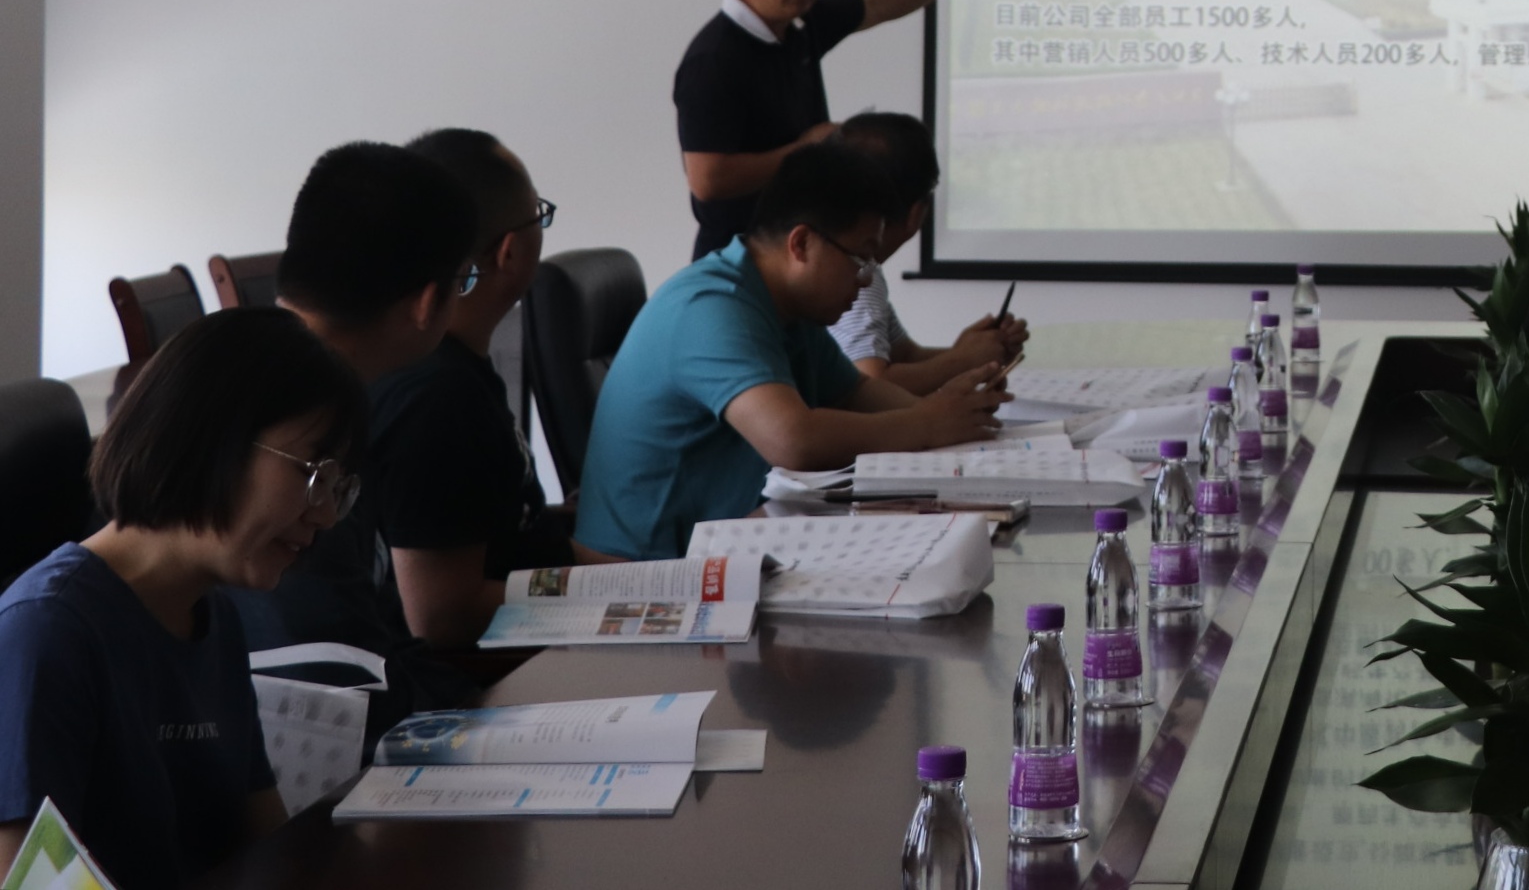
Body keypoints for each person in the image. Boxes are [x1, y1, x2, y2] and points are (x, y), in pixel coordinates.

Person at [0, 309, 368, 888]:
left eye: (338, 487)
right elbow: (24, 876)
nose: (324, 515)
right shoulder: (48, 632)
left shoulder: (211, 614)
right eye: (313, 474)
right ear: (209, 438)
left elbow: (267, 843)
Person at [575, 141, 1015, 561]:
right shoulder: (712, 306)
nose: (866, 279)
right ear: (801, 243)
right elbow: (793, 440)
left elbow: (855, 393)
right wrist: (926, 423)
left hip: (724, 538)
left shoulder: (786, 306)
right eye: (861, 259)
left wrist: (950, 413)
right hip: (645, 569)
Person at [230, 141, 484, 729]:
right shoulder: (299, 438)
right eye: (463, 281)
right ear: (429, 302)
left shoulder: (265, 381)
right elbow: (343, 681)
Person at [676, 0, 1020, 258]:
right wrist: (805, 149)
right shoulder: (714, 60)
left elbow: (878, 3)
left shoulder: (798, 25)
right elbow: (708, 180)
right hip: (737, 260)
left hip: (793, 255)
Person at [374, 128, 573, 647]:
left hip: (543, 626)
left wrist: (659, 578)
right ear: (509, 252)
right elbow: (441, 617)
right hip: (489, 674)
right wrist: (609, 598)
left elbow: (524, 541)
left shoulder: (458, 368)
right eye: (538, 215)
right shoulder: (436, 396)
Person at [827, 111, 1026, 393]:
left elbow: (905, 355)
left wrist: (974, 352)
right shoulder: (857, 280)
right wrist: (963, 360)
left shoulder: (859, 270)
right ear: (917, 213)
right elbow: (872, 383)